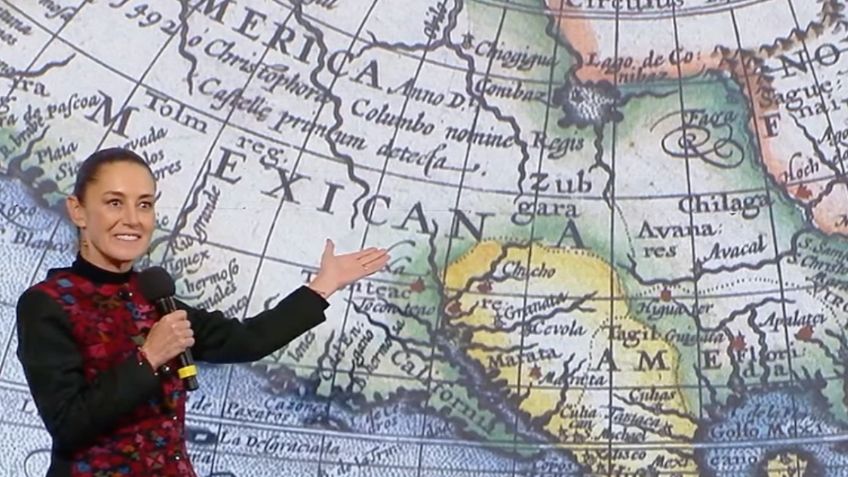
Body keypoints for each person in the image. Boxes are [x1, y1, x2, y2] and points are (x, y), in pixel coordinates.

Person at [15, 147, 389, 477]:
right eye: (114, 203)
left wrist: (324, 284)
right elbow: (68, 425)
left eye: (144, 204)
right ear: (78, 210)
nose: (132, 219)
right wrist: (149, 357)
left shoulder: (153, 296)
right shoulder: (48, 304)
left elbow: (247, 340)